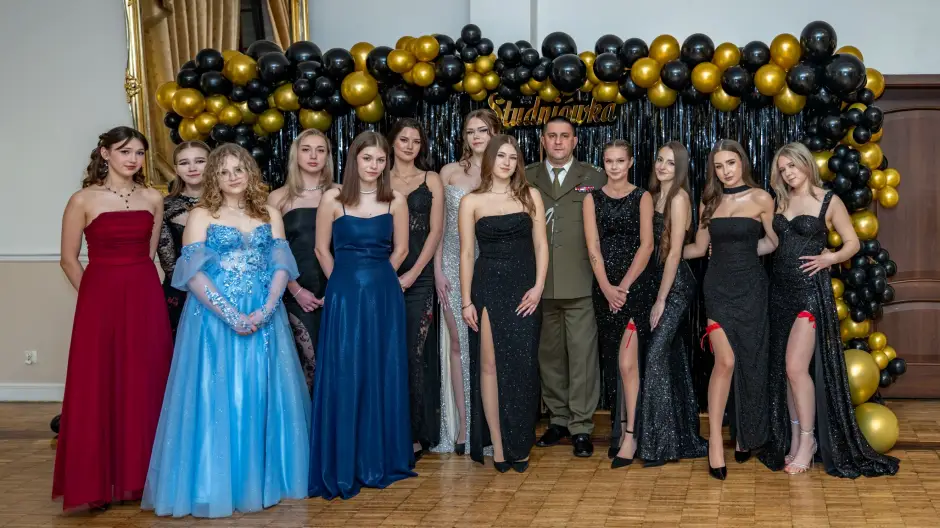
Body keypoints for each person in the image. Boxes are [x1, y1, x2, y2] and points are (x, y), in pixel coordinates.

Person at [141, 144, 310, 518]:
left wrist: (267, 307)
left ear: (250, 172)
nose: (233, 177)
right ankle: (217, 483)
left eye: (239, 169)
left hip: (263, 316)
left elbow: (281, 264)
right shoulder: (201, 214)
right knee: (219, 394)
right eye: (223, 171)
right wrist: (230, 314)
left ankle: (261, 479)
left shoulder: (269, 213)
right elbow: (192, 275)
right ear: (214, 178)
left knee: (260, 391)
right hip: (213, 319)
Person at [759, 142, 899, 477]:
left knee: (795, 368)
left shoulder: (828, 200)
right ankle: (796, 438)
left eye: (792, 166)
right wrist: (732, 250)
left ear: (806, 164)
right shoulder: (781, 201)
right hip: (780, 291)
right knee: (785, 371)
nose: (788, 173)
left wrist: (830, 258)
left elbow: (852, 243)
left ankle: (808, 441)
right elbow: (773, 243)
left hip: (810, 292)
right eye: (782, 169)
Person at [53, 126, 172, 511]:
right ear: (105, 153)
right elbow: (68, 259)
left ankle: (142, 479)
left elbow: (149, 255)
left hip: (144, 295)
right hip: (100, 298)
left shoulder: (153, 198)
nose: (133, 159)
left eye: (139, 152)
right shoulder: (83, 199)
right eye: (125, 151)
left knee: (145, 379)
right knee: (99, 381)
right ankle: (96, 483)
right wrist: (92, 298)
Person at [308, 131, 416, 500]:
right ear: (354, 159)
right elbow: (321, 250)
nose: (374, 165)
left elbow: (401, 249)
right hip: (343, 293)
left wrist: (378, 277)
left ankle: (380, 457)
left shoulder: (396, 200)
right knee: (346, 368)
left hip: (384, 293)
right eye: (367, 158)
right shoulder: (333, 197)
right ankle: (346, 459)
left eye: (380, 160)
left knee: (382, 369)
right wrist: (342, 282)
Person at [683, 139, 778, 480]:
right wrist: (665, 252)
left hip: (752, 289)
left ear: (742, 162)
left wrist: (747, 253)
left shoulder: (762, 198)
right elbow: (699, 247)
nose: (725, 171)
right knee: (725, 361)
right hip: (718, 290)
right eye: (719, 166)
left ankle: (744, 435)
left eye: (731, 164)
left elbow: (773, 241)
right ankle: (714, 442)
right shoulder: (709, 201)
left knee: (750, 363)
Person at [460, 134, 548, 472]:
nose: (507, 163)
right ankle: (497, 444)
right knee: (489, 366)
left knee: (523, 367)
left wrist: (538, 287)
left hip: (524, 290)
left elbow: (541, 245)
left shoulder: (530, 195)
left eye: (513, 157)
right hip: (487, 289)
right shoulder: (471, 201)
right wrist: (466, 301)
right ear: (490, 160)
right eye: (501, 156)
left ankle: (520, 444)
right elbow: (467, 254)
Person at [527, 115, 606, 457]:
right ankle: (558, 419)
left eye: (565, 136)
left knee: (582, 356)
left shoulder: (594, 177)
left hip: (580, 280)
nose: (558, 141)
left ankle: (581, 426)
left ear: (575, 141)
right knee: (549, 356)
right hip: (539, 283)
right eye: (552, 136)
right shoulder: (526, 176)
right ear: (543, 140)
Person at [634, 142, 707, 466]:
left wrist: (661, 300)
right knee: (671, 357)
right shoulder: (653, 196)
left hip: (675, 287)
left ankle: (660, 446)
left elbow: (676, 252)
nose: (662, 166)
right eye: (660, 160)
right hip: (656, 282)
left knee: (654, 356)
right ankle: (682, 437)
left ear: (680, 169)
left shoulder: (679, 199)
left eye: (670, 163)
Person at [582, 140, 655, 465]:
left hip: (634, 288)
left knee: (628, 364)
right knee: (616, 364)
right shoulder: (591, 199)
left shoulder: (642, 197)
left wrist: (622, 288)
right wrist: (605, 288)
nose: (614, 167)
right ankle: (620, 430)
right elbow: (592, 247)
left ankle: (632, 435)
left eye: (620, 161)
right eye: (609, 161)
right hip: (604, 288)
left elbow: (647, 246)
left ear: (630, 162)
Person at [434, 109, 501, 455]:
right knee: (458, 344)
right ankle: (462, 426)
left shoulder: (502, 172)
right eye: (471, 131)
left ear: (495, 133)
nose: (476, 137)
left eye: (483, 130)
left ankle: (488, 428)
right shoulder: (448, 172)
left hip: (488, 266)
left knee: (489, 350)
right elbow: (438, 228)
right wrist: (437, 269)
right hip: (450, 263)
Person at [388, 118, 445, 459]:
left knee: (415, 353)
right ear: (392, 143)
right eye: (404, 140)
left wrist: (413, 274)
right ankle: (388, 431)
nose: (410, 146)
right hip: (384, 274)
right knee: (387, 354)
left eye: (416, 141)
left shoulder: (431, 179)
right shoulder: (379, 178)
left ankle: (416, 434)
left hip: (419, 277)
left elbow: (436, 231)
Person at [267, 129, 335, 392]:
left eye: (320, 150)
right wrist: (295, 290)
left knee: (337, 363)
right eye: (306, 149)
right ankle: (309, 419)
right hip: (295, 290)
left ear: (328, 156)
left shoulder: (341, 193)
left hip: (336, 287)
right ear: (296, 155)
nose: (313, 155)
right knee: (309, 363)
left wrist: (338, 288)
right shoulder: (279, 198)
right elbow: (273, 252)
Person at [158, 140, 209, 340]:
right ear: (176, 169)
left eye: (200, 161)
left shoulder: (228, 202)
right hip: (181, 290)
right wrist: (197, 289)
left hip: (227, 288)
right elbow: (169, 262)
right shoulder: (165, 206)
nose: (192, 168)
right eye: (184, 163)